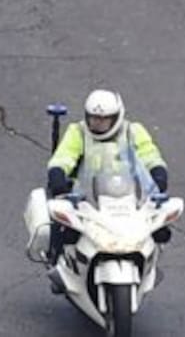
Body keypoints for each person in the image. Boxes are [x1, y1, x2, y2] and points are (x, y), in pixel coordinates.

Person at [43, 90, 170, 290]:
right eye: (93, 118)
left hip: (128, 194)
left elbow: (150, 155)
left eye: (104, 119)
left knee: (158, 229)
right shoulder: (78, 131)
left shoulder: (133, 131)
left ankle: (147, 265)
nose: (98, 124)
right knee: (65, 229)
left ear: (116, 117)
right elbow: (63, 157)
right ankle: (61, 264)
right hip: (87, 196)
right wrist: (58, 175)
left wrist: (158, 174)